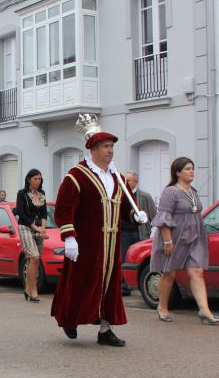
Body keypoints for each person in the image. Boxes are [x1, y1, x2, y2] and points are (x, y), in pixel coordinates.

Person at [51, 114, 148, 346]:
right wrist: (70, 238)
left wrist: (135, 215)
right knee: (79, 283)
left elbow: (124, 209)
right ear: (93, 149)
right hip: (86, 243)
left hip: (111, 244)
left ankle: (105, 329)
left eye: (112, 146)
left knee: (110, 286)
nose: (110, 150)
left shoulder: (117, 178)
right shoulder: (76, 176)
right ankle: (69, 319)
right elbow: (63, 210)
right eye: (105, 146)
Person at [150, 157, 219, 324]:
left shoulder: (193, 191)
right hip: (175, 238)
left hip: (194, 237)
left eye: (192, 168)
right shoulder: (170, 192)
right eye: (188, 169)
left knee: (197, 271)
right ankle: (162, 307)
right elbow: (163, 218)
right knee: (169, 273)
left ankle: (205, 310)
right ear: (178, 172)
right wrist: (167, 242)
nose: (192, 171)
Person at [121, 171, 157, 296]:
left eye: (129, 180)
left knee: (140, 260)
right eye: (124, 180)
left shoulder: (145, 196)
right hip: (124, 233)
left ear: (135, 181)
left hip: (140, 233)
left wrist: (154, 231)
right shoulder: (121, 195)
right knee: (124, 260)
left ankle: (142, 286)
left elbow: (154, 215)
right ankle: (125, 287)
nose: (126, 182)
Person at [16, 169, 48, 302]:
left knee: (34, 260)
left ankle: (28, 290)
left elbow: (44, 213)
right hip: (25, 227)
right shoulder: (22, 193)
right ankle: (33, 290)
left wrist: (43, 228)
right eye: (35, 178)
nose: (38, 181)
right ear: (29, 179)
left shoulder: (42, 193)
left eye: (40, 179)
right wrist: (35, 227)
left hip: (39, 228)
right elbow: (21, 213)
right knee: (33, 257)